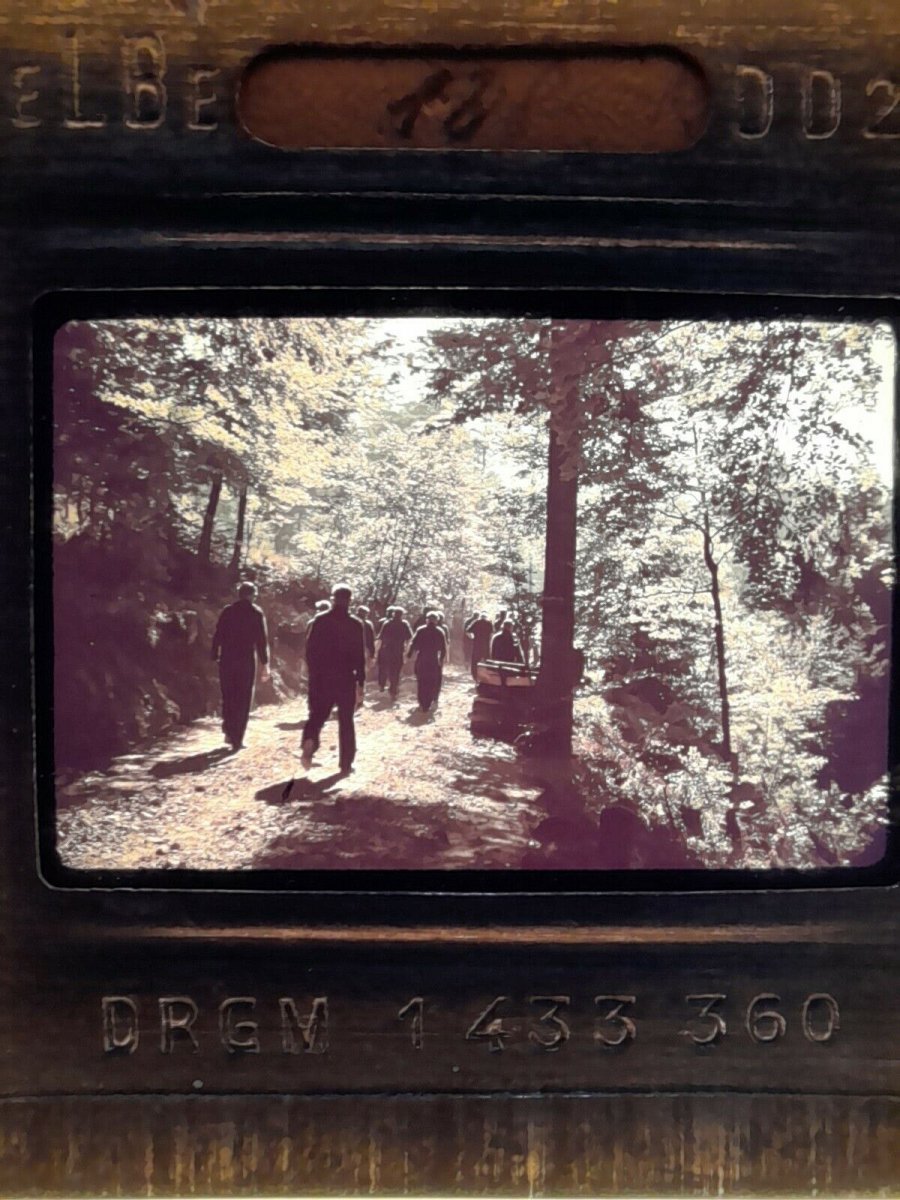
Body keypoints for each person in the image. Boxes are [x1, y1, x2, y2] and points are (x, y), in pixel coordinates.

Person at [301, 584, 366, 775]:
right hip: (345, 678)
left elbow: (310, 651)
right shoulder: (355, 624)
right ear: (350, 601)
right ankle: (346, 764)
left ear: (333, 599)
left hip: (322, 678)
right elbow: (359, 656)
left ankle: (310, 740)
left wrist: (313, 674)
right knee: (346, 721)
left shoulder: (320, 620)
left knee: (317, 715)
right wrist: (360, 682)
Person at [211, 581, 269, 751]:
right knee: (243, 698)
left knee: (228, 695)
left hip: (227, 659)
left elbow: (218, 634)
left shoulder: (228, 611)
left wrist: (214, 654)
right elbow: (261, 641)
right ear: (252, 595)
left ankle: (229, 729)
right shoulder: (256, 613)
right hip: (246, 660)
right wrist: (264, 662)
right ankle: (237, 738)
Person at [407, 611, 447, 712]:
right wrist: (441, 660)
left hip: (422, 659)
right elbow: (443, 648)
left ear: (427, 620)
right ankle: (428, 702)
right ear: (436, 621)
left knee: (421, 681)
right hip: (433, 660)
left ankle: (422, 702)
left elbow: (413, 644)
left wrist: (409, 655)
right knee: (431, 681)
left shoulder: (420, 630)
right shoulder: (440, 632)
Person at [379, 606, 414, 698]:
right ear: (402, 615)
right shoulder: (404, 624)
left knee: (389, 669)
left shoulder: (387, 623)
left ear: (393, 614)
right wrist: (407, 649)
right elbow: (409, 638)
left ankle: (389, 686)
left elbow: (381, 637)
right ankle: (393, 688)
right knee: (397, 670)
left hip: (388, 650)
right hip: (399, 651)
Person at [467, 611, 493, 680]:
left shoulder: (476, 623)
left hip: (477, 645)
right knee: (487, 661)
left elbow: (468, 631)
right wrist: (490, 643)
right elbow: (491, 634)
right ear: (486, 617)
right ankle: (488, 675)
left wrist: (472, 637)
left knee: (475, 661)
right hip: (486, 646)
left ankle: (475, 675)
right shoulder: (489, 624)